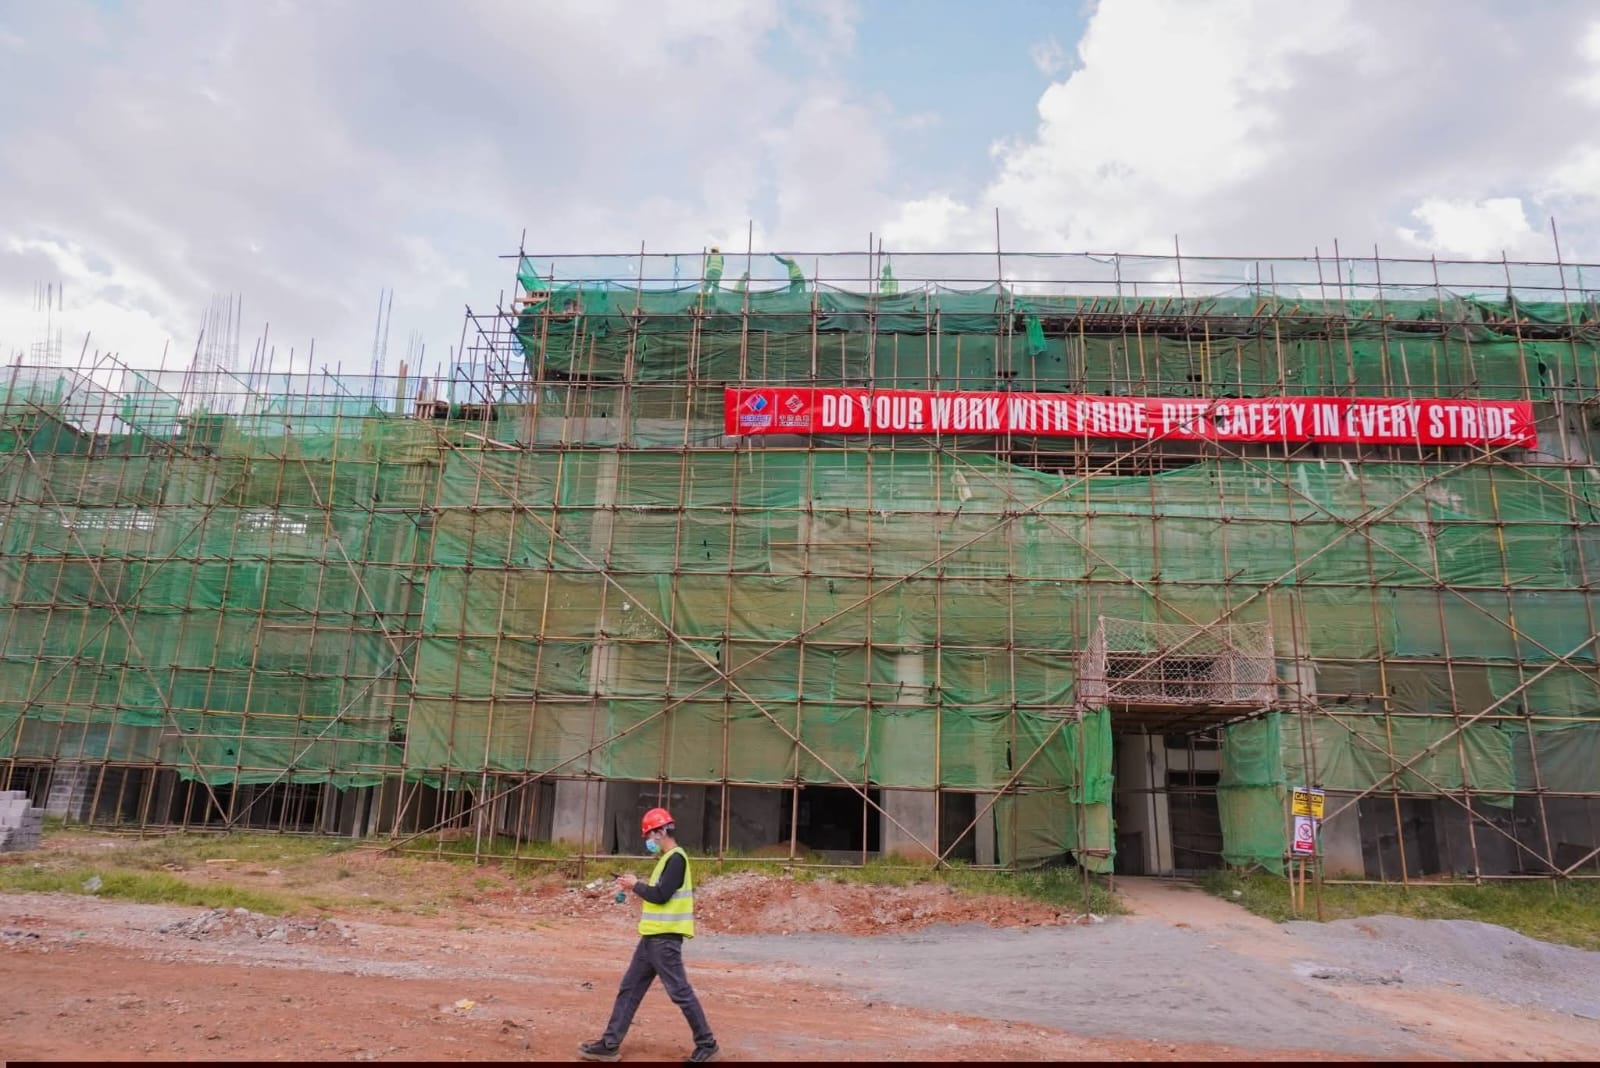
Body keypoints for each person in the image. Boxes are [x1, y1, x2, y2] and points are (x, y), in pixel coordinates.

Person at [579, 807, 719, 1064]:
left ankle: (707, 1043)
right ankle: (610, 1044)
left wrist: (635, 885)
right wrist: (635, 886)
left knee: (680, 992)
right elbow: (657, 893)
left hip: (665, 939)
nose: (648, 840)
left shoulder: (676, 859)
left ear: (662, 831)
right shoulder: (667, 860)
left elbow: (660, 895)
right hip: (651, 938)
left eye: (649, 835)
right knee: (630, 988)